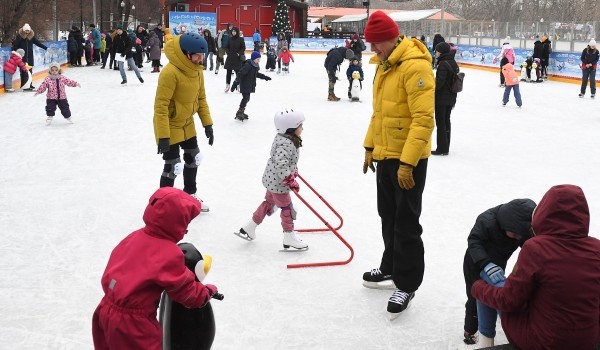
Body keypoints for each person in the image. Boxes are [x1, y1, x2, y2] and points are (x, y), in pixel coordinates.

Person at [361, 11, 434, 320]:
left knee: (406, 222)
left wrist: (408, 163)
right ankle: (391, 266)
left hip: (409, 159)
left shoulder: (415, 65)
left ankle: (407, 283)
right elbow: (380, 114)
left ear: (391, 38)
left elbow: (423, 120)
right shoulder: (385, 66)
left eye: (377, 44)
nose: (374, 51)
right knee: (387, 216)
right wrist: (369, 146)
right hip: (386, 154)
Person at [471, 184, 600, 349]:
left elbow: (508, 301)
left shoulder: (536, 249)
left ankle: (485, 343)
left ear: (544, 212)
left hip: (542, 342)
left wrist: (477, 288)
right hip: (586, 340)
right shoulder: (597, 249)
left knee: (487, 282)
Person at [92, 187, 219, 350]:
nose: (185, 229)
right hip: (133, 325)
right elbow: (185, 292)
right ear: (176, 222)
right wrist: (207, 292)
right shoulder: (169, 253)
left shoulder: (134, 236)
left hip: (104, 311)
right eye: (185, 221)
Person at [461, 198, 536, 346]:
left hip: (498, 264)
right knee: (474, 296)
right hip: (475, 262)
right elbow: (473, 242)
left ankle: (493, 319)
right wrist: (486, 264)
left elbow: (529, 246)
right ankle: (470, 331)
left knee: (494, 291)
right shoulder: (487, 221)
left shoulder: (520, 229)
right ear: (506, 224)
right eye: (515, 235)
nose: (517, 238)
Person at [154, 32, 214, 211]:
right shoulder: (169, 73)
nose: (201, 59)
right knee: (174, 167)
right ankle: (162, 205)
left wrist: (207, 124)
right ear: (186, 54)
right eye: (197, 55)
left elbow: (201, 99)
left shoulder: (197, 71)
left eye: (202, 55)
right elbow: (160, 107)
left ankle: (189, 195)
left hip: (187, 123)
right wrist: (163, 136)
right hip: (170, 125)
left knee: (194, 159)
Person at [235, 108, 308, 250]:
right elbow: (281, 164)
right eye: (300, 126)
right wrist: (290, 179)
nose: (302, 128)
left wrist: (293, 171)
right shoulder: (285, 143)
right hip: (279, 183)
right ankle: (288, 237)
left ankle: (249, 227)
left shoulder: (286, 139)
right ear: (290, 128)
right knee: (288, 209)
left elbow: (286, 162)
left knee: (269, 203)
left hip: (273, 180)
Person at [432, 42, 459, 156]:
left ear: (441, 51)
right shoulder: (453, 62)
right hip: (451, 97)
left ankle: (442, 148)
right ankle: (445, 146)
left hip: (442, 99)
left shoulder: (443, 64)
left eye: (437, 51)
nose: (436, 53)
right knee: (447, 121)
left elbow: (439, 84)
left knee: (441, 123)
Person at [231, 51, 272, 120]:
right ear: (254, 59)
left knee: (247, 99)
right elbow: (240, 74)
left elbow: (256, 74)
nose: (259, 60)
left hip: (250, 85)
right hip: (245, 85)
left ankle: (241, 111)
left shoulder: (255, 66)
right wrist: (235, 82)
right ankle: (239, 112)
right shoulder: (248, 65)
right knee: (245, 98)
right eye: (258, 59)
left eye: (259, 59)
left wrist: (264, 77)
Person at [12, 23, 48, 90]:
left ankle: (29, 84)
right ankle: (24, 85)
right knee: (23, 71)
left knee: (30, 71)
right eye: (26, 31)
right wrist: (16, 52)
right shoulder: (19, 36)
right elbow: (15, 45)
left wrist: (46, 48)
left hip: (30, 56)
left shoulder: (31, 36)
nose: (27, 32)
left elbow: (38, 43)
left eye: (28, 31)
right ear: (23, 30)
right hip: (22, 57)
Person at [223, 27, 245, 92]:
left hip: (237, 58)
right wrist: (228, 53)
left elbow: (243, 48)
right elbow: (226, 47)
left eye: (235, 31)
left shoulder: (240, 39)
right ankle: (227, 86)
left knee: (238, 73)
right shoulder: (230, 39)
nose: (233, 32)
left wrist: (239, 53)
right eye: (232, 31)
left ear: (237, 32)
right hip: (230, 58)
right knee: (228, 72)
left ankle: (238, 85)